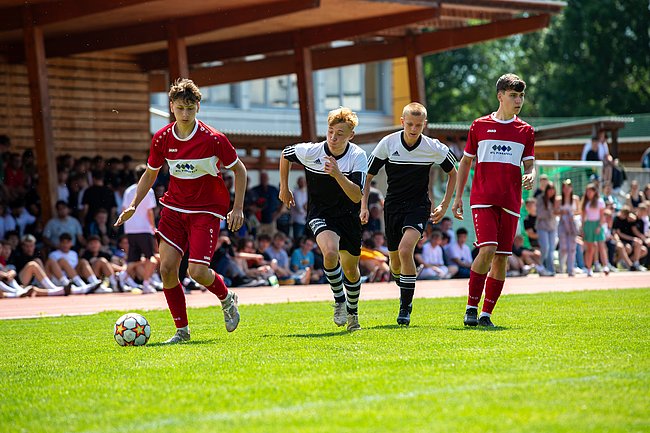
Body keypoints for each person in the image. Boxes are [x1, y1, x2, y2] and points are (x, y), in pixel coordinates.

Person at [115, 78, 247, 344]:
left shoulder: (214, 139)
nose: (185, 114)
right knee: (166, 269)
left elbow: (240, 170)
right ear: (171, 107)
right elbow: (150, 174)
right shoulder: (162, 138)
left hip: (205, 211)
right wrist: (133, 205)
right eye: (180, 108)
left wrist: (238, 208)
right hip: (174, 208)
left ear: (198, 107)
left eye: (190, 108)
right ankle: (182, 331)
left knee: (196, 272)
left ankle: (226, 297)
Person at [361, 102, 458, 326]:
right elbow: (367, 175)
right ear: (402, 122)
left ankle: (405, 307)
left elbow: (454, 172)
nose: (414, 129)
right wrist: (364, 205)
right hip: (392, 207)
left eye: (419, 125)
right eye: (410, 124)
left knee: (406, 250)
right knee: (395, 263)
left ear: (425, 124)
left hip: (418, 206)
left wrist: (444, 205)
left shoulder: (433, 147)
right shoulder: (388, 143)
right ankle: (404, 282)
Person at [452, 73, 535, 328]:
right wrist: (458, 197)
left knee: (501, 258)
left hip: (511, 201)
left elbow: (530, 164)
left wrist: (531, 174)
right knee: (487, 249)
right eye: (513, 95)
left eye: (521, 96)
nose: (518, 100)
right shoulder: (479, 125)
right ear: (500, 96)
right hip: (483, 199)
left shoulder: (526, 131)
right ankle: (471, 308)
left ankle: (486, 314)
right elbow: (466, 161)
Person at [279, 107, 367, 331]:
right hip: (320, 214)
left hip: (349, 217)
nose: (333, 137)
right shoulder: (312, 151)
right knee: (329, 252)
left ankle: (353, 313)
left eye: (339, 133)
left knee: (351, 270)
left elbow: (356, 196)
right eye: (330, 131)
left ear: (351, 135)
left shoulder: (357, 156)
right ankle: (339, 301)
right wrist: (284, 188)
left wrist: (337, 174)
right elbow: (286, 154)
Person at [121, 164, 158, 294]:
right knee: (151, 259)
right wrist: (153, 227)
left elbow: (124, 209)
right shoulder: (149, 190)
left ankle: (122, 275)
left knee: (133, 259)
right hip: (144, 229)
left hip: (130, 229)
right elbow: (149, 212)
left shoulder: (128, 190)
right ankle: (146, 283)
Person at [581, 183, 611, 276]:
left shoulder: (600, 201)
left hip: (597, 224)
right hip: (588, 225)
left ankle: (605, 265)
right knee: (590, 248)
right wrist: (582, 228)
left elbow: (602, 215)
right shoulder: (585, 202)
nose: (589, 193)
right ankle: (589, 268)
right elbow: (583, 217)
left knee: (601, 245)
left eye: (590, 191)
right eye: (587, 191)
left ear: (595, 192)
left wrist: (599, 226)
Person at [557, 179, 580, 276]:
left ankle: (570, 269)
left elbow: (579, 211)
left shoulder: (575, 199)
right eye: (565, 188)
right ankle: (561, 266)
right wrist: (562, 212)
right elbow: (555, 211)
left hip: (572, 224)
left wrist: (571, 213)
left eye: (568, 187)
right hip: (562, 224)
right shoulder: (559, 199)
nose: (567, 190)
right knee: (564, 247)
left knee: (572, 248)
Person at [535, 183, 558, 276]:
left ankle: (550, 269)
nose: (551, 191)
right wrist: (551, 213)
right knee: (545, 247)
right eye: (550, 189)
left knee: (551, 249)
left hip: (552, 227)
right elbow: (539, 213)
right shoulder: (540, 198)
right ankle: (540, 265)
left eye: (553, 189)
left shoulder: (555, 200)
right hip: (542, 227)